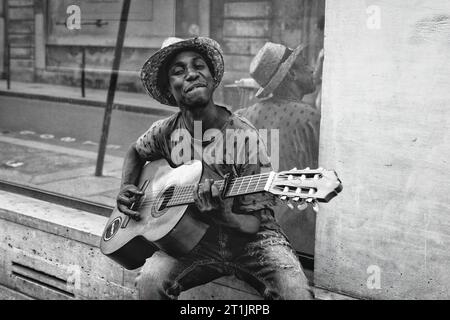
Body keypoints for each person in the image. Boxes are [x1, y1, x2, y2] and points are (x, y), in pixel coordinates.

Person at [116, 37, 313, 300]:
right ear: (169, 87)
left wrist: (225, 216)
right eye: (178, 71)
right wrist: (126, 185)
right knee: (149, 283)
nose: (192, 74)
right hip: (194, 241)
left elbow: (254, 223)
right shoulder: (166, 130)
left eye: (199, 66)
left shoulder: (244, 135)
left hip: (253, 241)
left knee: (296, 293)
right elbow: (135, 151)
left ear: (211, 78)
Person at [235, 42, 321, 255]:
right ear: (292, 74)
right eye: (306, 65)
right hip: (297, 237)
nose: (312, 69)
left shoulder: (242, 117)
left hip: (251, 231)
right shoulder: (310, 118)